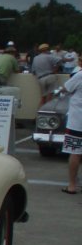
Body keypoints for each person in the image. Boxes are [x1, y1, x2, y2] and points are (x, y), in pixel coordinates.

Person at [55, 64, 82, 194]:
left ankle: (72, 185)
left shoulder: (80, 75)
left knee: (75, 153)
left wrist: (59, 90)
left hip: (78, 122)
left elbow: (65, 88)